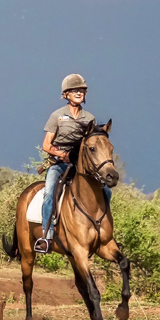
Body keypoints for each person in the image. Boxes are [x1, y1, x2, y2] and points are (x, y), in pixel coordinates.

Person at [35, 74, 111, 253]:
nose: (79, 93)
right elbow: (46, 145)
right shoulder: (57, 116)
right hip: (59, 163)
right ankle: (46, 236)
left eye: (82, 90)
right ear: (66, 94)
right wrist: (62, 154)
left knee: (106, 190)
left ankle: (104, 231)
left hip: (81, 165)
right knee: (49, 194)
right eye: (74, 90)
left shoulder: (89, 118)